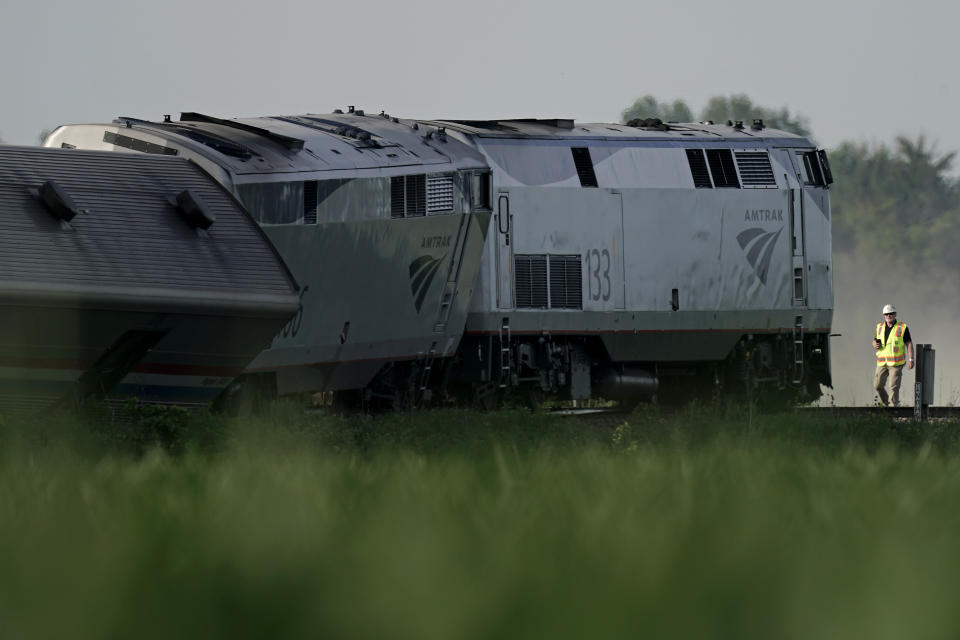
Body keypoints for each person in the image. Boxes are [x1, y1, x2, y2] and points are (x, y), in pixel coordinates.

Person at [872, 304, 913, 407]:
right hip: (882, 362)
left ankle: (892, 410)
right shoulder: (879, 327)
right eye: (886, 314)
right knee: (877, 385)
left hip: (896, 363)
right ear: (884, 315)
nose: (889, 316)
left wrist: (911, 359)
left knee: (893, 387)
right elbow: (875, 339)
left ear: (895, 315)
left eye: (891, 314)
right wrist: (874, 343)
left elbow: (908, 343)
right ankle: (887, 405)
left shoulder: (902, 327)